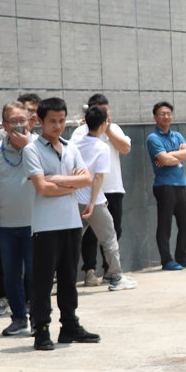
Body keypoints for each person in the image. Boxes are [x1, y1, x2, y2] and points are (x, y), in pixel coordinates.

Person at [24, 97, 99, 351]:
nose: (58, 126)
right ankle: (41, 329)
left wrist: (58, 180)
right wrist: (70, 184)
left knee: (69, 278)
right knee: (43, 280)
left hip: (71, 223)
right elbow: (42, 187)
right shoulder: (31, 149)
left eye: (61, 120)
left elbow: (87, 179)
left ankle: (69, 325)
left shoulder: (71, 147)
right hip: (45, 226)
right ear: (40, 121)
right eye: (52, 121)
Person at [0, 102, 35, 337]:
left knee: (34, 274)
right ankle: (18, 318)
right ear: (4, 125)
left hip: (35, 222)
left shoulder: (38, 146)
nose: (19, 125)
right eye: (13, 121)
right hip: (7, 224)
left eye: (22, 120)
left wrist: (28, 148)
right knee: (11, 275)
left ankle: (38, 319)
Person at [72, 104, 136, 292]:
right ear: (103, 125)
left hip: (75, 199)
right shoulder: (101, 146)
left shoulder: (75, 143)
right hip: (95, 201)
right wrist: (92, 203)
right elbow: (98, 177)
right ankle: (116, 277)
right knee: (109, 238)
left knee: (72, 240)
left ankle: (60, 277)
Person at [146, 100, 186, 271]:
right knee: (165, 224)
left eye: (169, 113)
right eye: (162, 113)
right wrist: (176, 155)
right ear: (155, 117)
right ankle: (167, 260)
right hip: (164, 186)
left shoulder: (177, 135)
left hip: (181, 184)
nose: (166, 116)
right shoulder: (153, 138)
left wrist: (170, 155)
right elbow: (165, 160)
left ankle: (181, 256)